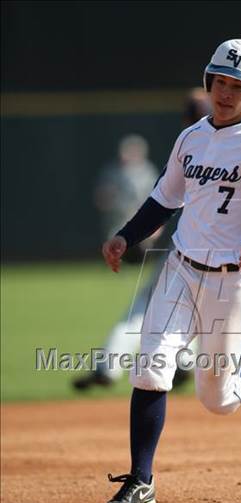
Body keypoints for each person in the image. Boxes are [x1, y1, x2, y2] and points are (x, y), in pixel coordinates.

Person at [100, 39, 241, 503]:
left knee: (217, 399)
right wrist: (126, 235)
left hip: (236, 282)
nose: (226, 94)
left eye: (238, 86)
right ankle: (141, 481)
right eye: (220, 82)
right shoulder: (191, 138)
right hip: (181, 269)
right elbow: (165, 198)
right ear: (209, 82)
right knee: (150, 366)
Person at [72, 90, 211, 390]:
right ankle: (184, 363)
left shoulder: (188, 147)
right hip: (218, 252)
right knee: (193, 310)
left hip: (185, 247)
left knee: (144, 308)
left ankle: (110, 367)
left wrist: (133, 235)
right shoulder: (233, 147)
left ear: (187, 119)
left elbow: (165, 204)